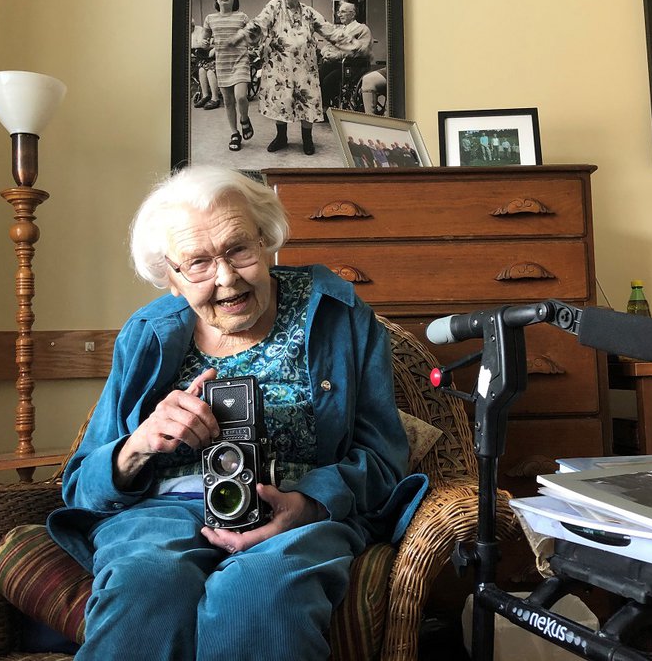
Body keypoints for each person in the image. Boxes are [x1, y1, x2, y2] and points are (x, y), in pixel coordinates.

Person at [47, 167, 425, 661]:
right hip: (161, 514)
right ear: (172, 279)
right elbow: (80, 483)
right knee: (147, 587)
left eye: (238, 249)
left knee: (259, 594)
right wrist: (138, 444)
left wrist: (309, 505)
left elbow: (384, 457)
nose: (226, 278)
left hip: (293, 513)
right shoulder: (146, 334)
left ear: (267, 242)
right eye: (198, 263)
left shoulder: (337, 314)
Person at [228, 0, 358, 156]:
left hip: (305, 68)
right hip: (279, 67)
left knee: (308, 102)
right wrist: (241, 35)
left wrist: (353, 44)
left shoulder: (309, 12)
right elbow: (258, 24)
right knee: (282, 101)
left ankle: (307, 139)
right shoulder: (274, 7)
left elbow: (328, 29)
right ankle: (282, 137)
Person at [202, 0, 254, 152]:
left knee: (240, 97)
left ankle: (244, 119)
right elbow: (204, 41)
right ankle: (234, 133)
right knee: (228, 101)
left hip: (240, 61)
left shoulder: (242, 17)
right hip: (222, 63)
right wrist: (204, 43)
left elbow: (252, 36)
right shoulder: (210, 19)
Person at [319, 0, 373, 109]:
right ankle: (321, 107)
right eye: (339, 12)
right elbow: (328, 45)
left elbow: (362, 50)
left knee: (328, 81)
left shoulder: (363, 29)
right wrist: (325, 53)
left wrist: (338, 55)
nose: (339, 15)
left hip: (354, 66)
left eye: (343, 12)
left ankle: (325, 108)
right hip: (337, 64)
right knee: (316, 77)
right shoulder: (340, 29)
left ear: (352, 14)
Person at [190, 18, 220, 110]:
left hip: (221, 58)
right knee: (202, 70)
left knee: (210, 71)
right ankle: (205, 95)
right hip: (209, 57)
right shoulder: (209, 35)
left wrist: (214, 47)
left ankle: (215, 98)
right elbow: (204, 45)